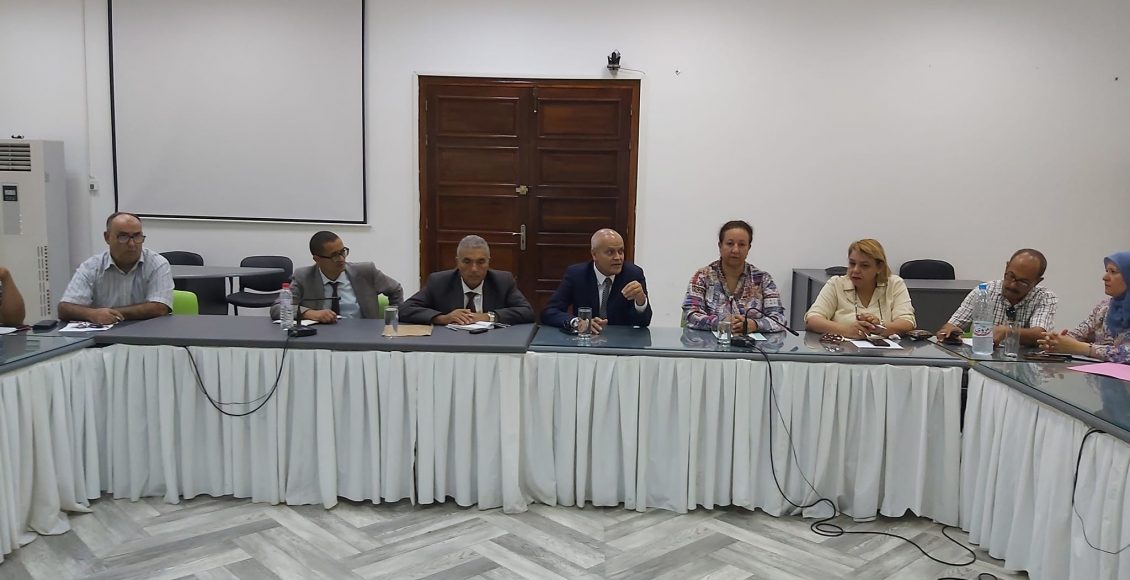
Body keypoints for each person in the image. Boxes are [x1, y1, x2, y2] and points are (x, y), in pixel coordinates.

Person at [58, 212, 173, 324]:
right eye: (123, 237)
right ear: (107, 237)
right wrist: (92, 314)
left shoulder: (156, 264)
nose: (132, 244)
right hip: (103, 335)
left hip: (147, 332)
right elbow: (64, 308)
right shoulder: (91, 267)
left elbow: (159, 308)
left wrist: (111, 314)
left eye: (137, 236)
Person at [270, 231, 403, 323]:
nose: (341, 259)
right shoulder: (303, 277)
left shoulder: (366, 271)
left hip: (362, 335)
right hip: (320, 337)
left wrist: (392, 321)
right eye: (334, 255)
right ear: (317, 259)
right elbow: (277, 309)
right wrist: (310, 313)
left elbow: (396, 290)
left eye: (342, 252)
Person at [399, 235, 534, 325]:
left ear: (488, 262)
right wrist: (443, 318)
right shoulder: (439, 282)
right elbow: (405, 309)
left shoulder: (502, 281)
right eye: (467, 261)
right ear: (457, 262)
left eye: (481, 262)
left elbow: (527, 312)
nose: (474, 269)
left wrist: (489, 317)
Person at [682, 220, 787, 333]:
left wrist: (755, 325)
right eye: (730, 243)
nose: (735, 250)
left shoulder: (763, 279)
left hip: (752, 343)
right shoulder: (703, 276)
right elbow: (690, 315)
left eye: (741, 245)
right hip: (709, 342)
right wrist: (720, 323)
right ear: (720, 246)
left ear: (749, 248)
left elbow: (779, 319)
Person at [935, 249, 1056, 346]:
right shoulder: (984, 291)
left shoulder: (1045, 297)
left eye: (1022, 282)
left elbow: (1040, 335)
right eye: (1010, 276)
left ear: (1037, 281)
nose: (1012, 285)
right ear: (1006, 267)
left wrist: (1008, 332)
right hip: (983, 359)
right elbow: (952, 325)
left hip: (1025, 363)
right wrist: (950, 332)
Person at [541, 228, 651, 333]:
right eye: (610, 252)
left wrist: (640, 301)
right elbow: (550, 311)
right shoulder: (577, 275)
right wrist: (577, 322)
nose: (618, 257)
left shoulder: (633, 274)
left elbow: (643, 322)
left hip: (621, 341)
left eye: (621, 251)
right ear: (594, 254)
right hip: (585, 340)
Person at [804, 239, 915, 338]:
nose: (855, 270)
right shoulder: (836, 284)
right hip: (842, 351)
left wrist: (879, 328)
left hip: (885, 353)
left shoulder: (894, 284)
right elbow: (812, 320)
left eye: (864, 266)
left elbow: (907, 323)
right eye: (852, 263)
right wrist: (848, 331)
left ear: (879, 267)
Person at [1038, 252, 1130, 364]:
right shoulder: (1104, 307)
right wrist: (1056, 341)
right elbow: (1078, 334)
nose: (1105, 277)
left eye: (1113, 272)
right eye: (1106, 271)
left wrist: (1083, 348)